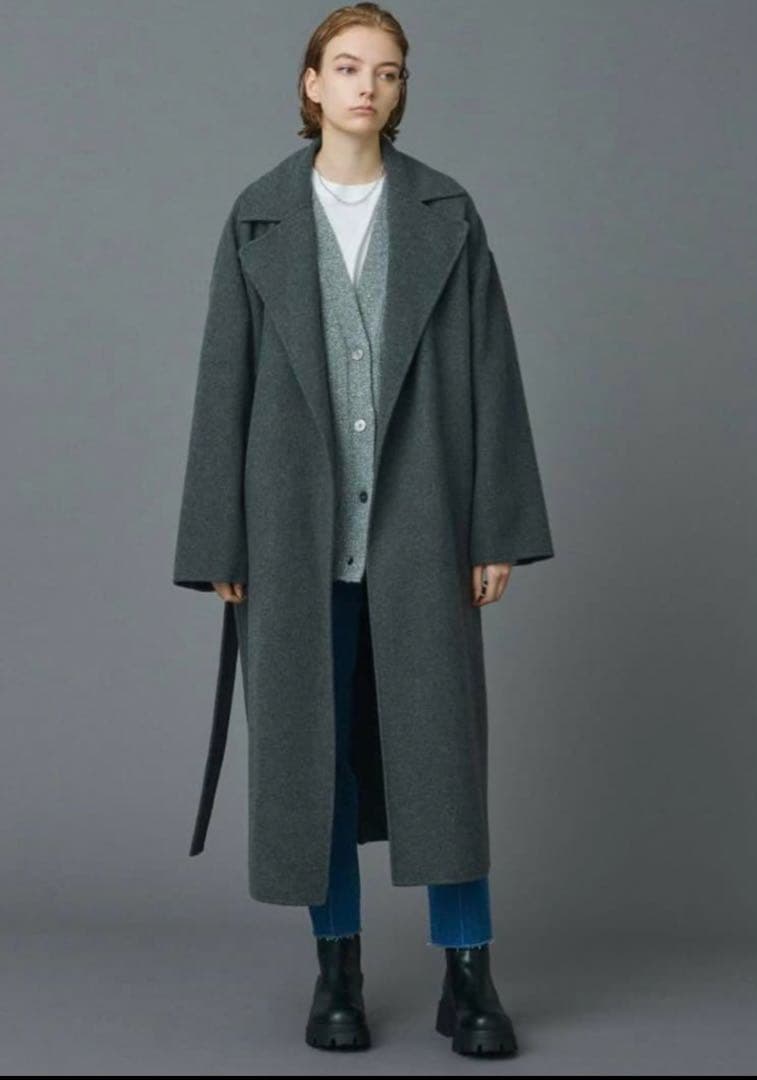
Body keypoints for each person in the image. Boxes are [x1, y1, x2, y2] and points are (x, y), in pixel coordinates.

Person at [173, 1, 554, 1059]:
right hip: (290, 535)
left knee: (443, 754)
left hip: (423, 523)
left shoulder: (445, 211)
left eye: (386, 72)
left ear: (399, 89)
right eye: (347, 68)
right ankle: (333, 970)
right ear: (311, 84)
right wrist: (219, 542)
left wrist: (495, 527)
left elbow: (491, 373)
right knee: (313, 756)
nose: (367, 88)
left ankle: (468, 977)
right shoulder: (258, 215)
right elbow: (223, 384)